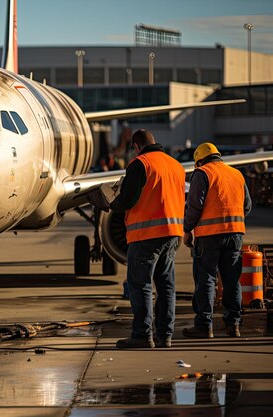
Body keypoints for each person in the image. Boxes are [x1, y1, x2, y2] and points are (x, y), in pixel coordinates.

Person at [92, 129, 185, 348]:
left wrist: (111, 205)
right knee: (166, 286)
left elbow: (128, 200)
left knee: (140, 285)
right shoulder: (176, 166)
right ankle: (165, 335)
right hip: (172, 234)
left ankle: (142, 335)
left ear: (136, 146)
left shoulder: (140, 164)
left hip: (146, 235)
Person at [182, 143, 251, 338]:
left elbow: (195, 206)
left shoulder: (202, 173)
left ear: (200, 161)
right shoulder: (237, 174)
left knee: (206, 280)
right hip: (235, 235)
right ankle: (233, 325)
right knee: (231, 281)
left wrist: (187, 230)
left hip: (209, 236)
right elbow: (247, 205)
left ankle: (204, 325)